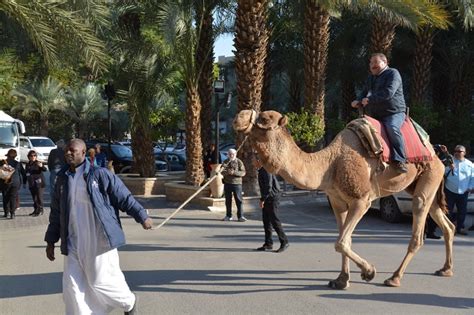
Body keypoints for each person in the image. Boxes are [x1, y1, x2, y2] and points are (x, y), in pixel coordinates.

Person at [44, 138, 153, 315]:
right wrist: (51, 241)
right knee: (72, 287)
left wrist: (142, 216)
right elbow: (56, 213)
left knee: (101, 281)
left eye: (73, 150)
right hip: (73, 242)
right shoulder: (62, 180)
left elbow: (123, 197)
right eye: (67, 151)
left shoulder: (100, 174)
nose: (68, 153)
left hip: (98, 239)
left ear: (83, 152)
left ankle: (129, 302)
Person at [351, 52, 408, 174]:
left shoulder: (393, 73)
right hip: (376, 115)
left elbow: (389, 92)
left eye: (376, 62)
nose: (372, 65)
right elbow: (365, 92)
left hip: (394, 112)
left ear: (385, 62)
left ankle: (400, 160)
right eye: (371, 63)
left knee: (392, 127)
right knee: (360, 129)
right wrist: (357, 100)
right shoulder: (371, 78)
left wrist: (370, 99)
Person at [254, 155, 289, 253]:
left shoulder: (265, 170)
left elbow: (268, 186)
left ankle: (284, 241)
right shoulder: (261, 169)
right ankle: (268, 243)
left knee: (274, 220)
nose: (253, 162)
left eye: (254, 160)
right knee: (266, 221)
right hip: (268, 197)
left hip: (272, 197)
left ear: (259, 161)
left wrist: (262, 199)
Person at [424, 144, 454, 239]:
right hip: (427, 188)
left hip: (437, 190)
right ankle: (423, 233)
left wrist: (446, 152)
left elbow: (450, 162)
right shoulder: (427, 160)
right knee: (425, 213)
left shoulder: (440, 162)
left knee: (435, 211)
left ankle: (430, 232)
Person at [444, 145, 473, 236]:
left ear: (464, 153)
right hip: (450, 190)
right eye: (456, 151)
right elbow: (443, 172)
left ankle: (459, 228)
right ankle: (448, 228)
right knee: (448, 211)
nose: (457, 152)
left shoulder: (469, 164)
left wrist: (470, 187)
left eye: (459, 151)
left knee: (462, 212)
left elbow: (472, 177)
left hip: (463, 192)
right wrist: (449, 167)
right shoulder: (449, 162)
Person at [221, 148, 247, 222]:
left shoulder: (239, 162)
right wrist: (227, 172)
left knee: (239, 200)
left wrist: (234, 173)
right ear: (228, 154)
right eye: (230, 154)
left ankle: (240, 216)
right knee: (228, 200)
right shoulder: (225, 162)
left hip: (237, 184)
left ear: (235, 154)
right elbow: (221, 171)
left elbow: (243, 172)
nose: (231, 155)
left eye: (233, 154)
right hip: (227, 183)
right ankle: (228, 216)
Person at [0, 149, 26, 219]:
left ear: (8, 155)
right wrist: (24, 182)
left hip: (5, 182)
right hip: (15, 182)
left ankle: (6, 212)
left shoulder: (2, 162)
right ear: (15, 156)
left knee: (5, 197)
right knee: (13, 197)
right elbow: (23, 174)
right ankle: (12, 213)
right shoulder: (18, 163)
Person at [25, 150, 47, 216]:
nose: (33, 157)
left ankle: (40, 210)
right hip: (32, 183)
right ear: (29, 157)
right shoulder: (28, 164)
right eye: (31, 156)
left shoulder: (38, 163)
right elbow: (26, 173)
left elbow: (45, 169)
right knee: (34, 198)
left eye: (34, 155)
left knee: (39, 197)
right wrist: (25, 180)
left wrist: (41, 166)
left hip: (39, 183)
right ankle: (35, 209)